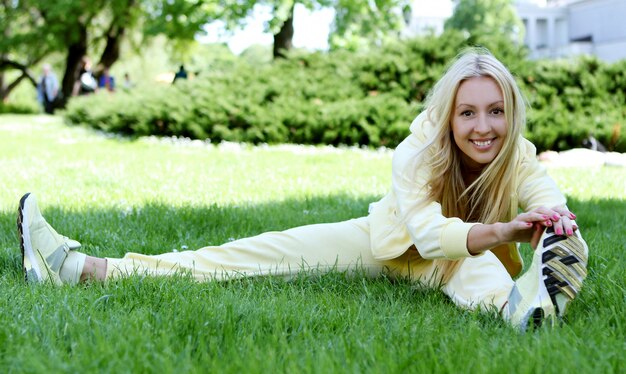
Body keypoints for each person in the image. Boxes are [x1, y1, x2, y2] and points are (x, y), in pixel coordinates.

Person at [16, 48, 588, 332]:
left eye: (495, 111)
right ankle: (77, 268)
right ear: (448, 114)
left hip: (460, 261)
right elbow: (427, 231)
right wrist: (502, 231)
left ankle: (530, 310)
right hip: (386, 245)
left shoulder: (517, 153)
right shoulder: (417, 150)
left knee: (488, 276)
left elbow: (544, 191)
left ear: (511, 114)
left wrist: (553, 223)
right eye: (468, 112)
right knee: (249, 257)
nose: (482, 126)